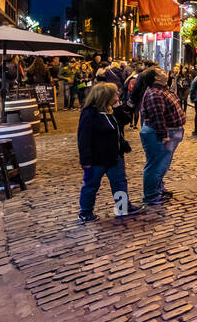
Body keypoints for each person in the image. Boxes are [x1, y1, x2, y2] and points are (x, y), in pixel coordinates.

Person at [76, 83, 142, 222]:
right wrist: (86, 160)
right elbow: (83, 139)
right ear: (105, 96)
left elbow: (125, 120)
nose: (118, 96)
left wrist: (118, 107)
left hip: (115, 156)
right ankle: (86, 212)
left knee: (119, 183)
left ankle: (123, 207)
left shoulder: (110, 111)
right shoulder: (89, 114)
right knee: (91, 185)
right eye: (115, 94)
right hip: (97, 159)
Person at [138, 69, 185, 206]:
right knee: (156, 166)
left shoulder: (162, 89)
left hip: (168, 132)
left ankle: (158, 190)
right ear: (155, 78)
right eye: (160, 72)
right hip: (160, 134)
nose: (164, 72)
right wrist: (163, 136)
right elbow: (157, 117)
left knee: (161, 165)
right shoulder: (154, 93)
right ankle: (151, 196)